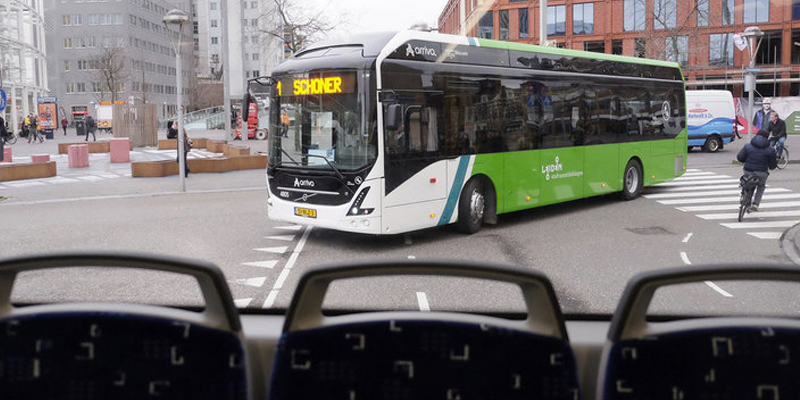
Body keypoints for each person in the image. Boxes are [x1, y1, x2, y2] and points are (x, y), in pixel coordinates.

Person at [737, 129, 778, 212]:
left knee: (747, 181)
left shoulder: (748, 146)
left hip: (748, 170)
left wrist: (745, 161)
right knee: (761, 185)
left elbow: (740, 158)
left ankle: (744, 197)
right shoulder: (770, 149)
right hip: (761, 172)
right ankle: (755, 204)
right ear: (767, 138)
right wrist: (771, 167)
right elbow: (773, 165)